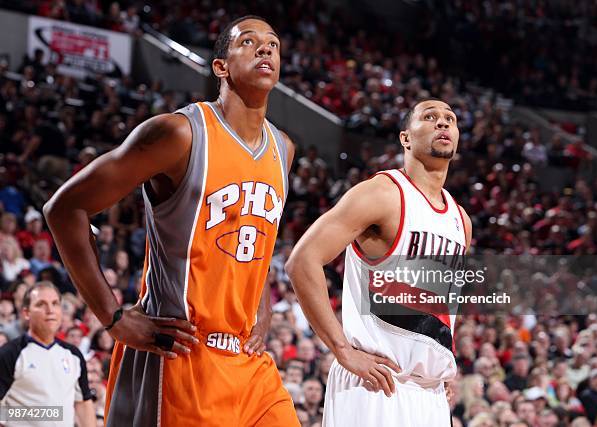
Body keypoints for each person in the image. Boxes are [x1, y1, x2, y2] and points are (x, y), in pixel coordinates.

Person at [44, 15, 299, 427]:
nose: (266, 48)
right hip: (182, 353)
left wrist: (263, 300)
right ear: (221, 66)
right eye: (249, 42)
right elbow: (64, 209)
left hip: (249, 363)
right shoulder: (179, 134)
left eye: (273, 43)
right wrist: (113, 317)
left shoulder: (282, 149)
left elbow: (250, 234)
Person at [287, 98, 472, 426]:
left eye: (450, 119)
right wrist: (343, 351)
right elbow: (302, 261)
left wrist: (440, 362)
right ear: (405, 138)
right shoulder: (381, 194)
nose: (443, 123)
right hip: (376, 386)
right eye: (430, 117)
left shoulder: (461, 220)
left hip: (430, 396)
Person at [0, 281, 95, 427]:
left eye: (55, 303)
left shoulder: (73, 355)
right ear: (26, 313)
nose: (50, 310)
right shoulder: (9, 354)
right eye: (41, 304)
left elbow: (83, 403)